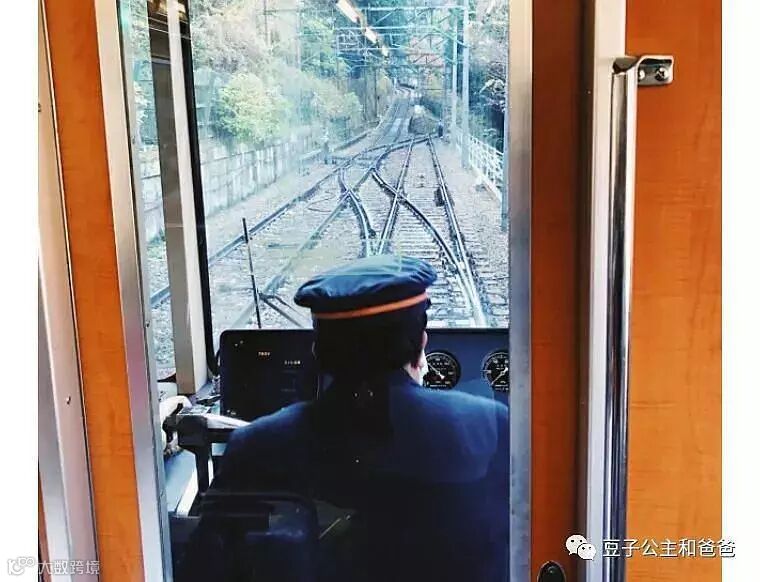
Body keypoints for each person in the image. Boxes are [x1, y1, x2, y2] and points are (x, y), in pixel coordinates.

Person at [192, 255, 509, 581]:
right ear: (421, 344)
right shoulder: (491, 425)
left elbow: (206, 566)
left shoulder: (254, 445)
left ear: (318, 354)